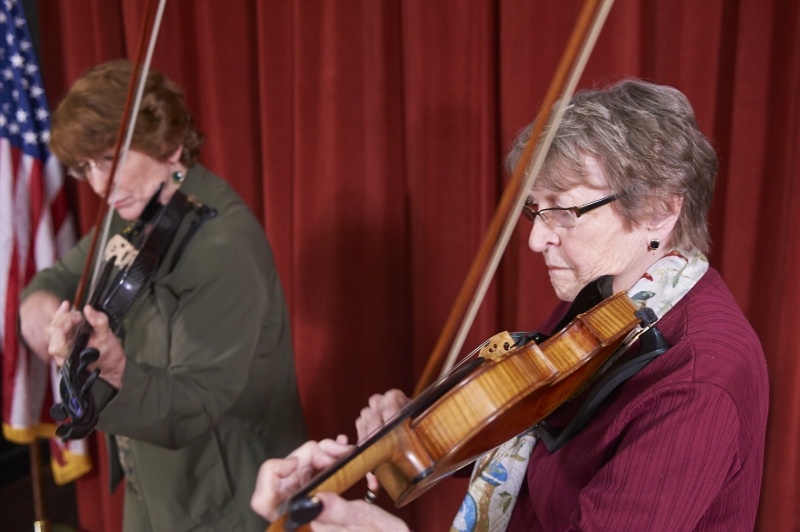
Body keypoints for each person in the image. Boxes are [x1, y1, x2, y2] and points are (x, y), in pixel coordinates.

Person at [249, 79, 769, 531]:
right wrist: (408, 434)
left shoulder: (699, 376)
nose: (536, 240)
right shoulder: (607, 303)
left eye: (564, 211)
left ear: (659, 210)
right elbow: (536, 435)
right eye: (534, 210)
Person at [19, 60, 308, 531]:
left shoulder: (223, 249)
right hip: (153, 487)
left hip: (229, 498)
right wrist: (40, 303)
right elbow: (64, 274)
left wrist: (114, 368)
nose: (99, 185)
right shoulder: (134, 206)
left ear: (169, 145)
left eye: (110, 159)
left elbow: (193, 406)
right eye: (87, 167)